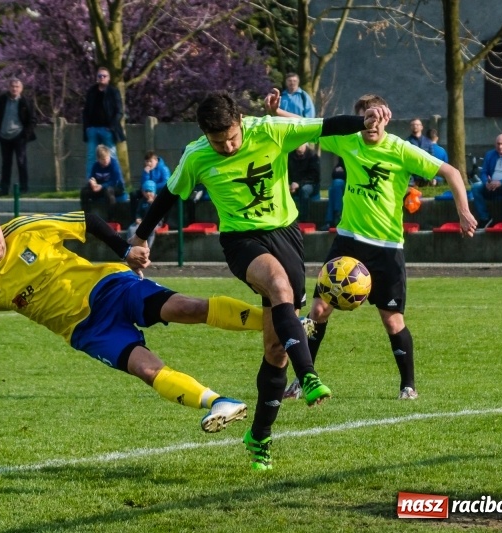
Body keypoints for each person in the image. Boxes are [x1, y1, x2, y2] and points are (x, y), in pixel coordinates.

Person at [129, 90, 390, 470]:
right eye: (218, 142)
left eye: (232, 138)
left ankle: (259, 436)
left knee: (275, 349)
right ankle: (309, 375)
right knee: (278, 285)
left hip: (286, 235)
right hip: (241, 242)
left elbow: (324, 126)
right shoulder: (196, 155)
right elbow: (168, 196)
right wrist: (140, 237)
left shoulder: (269, 131)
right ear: (205, 134)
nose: (228, 147)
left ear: (241, 121)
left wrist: (362, 121)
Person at [0, 201, 264, 443]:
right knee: (147, 370)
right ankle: (219, 403)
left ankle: (277, 321)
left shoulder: (25, 228)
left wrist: (125, 251)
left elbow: (86, 219)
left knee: (186, 308)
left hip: (108, 287)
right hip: (87, 331)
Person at [292, 93, 476, 406]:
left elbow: (452, 173)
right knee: (319, 311)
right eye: (365, 119)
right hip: (348, 242)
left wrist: (464, 211)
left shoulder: (401, 149)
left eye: (376, 118)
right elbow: (306, 124)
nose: (371, 124)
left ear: (386, 118)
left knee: (392, 320)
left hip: (386, 248)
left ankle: (408, 386)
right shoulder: (347, 141)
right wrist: (277, 111)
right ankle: (302, 379)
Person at [0, 78, 37, 196]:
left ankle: (23, 188)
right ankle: (4, 189)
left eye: (17, 87)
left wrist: (25, 135)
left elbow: (32, 119)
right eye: (12, 86)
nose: (14, 89)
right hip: (4, 136)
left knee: (21, 162)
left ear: (21, 89)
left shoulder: (26, 101)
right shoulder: (2, 100)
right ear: (9, 87)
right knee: (6, 164)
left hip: (19, 136)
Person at [82, 67, 125, 178]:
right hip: (92, 129)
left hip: (107, 130)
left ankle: (117, 183)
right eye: (99, 76)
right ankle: (91, 183)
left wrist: (111, 127)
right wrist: (87, 127)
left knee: (112, 156)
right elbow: (86, 111)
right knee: (91, 157)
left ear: (109, 78)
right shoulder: (91, 91)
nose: (102, 78)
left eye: (104, 76)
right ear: (97, 78)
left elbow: (119, 111)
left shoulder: (113, 92)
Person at [80, 144, 125, 222]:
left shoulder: (114, 164)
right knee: (84, 192)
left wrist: (102, 186)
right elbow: (92, 177)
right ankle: (86, 217)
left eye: (107, 158)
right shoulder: (96, 166)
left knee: (108, 191)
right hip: (100, 188)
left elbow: (115, 181)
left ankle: (111, 219)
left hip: (115, 187)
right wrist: (92, 183)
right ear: (98, 159)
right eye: (103, 159)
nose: (106, 161)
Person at [287, 143, 321, 221]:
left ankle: (303, 220)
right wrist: (289, 184)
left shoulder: (312, 155)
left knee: (304, 190)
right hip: (294, 185)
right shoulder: (290, 156)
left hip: (311, 184)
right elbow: (287, 172)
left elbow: (314, 176)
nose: (298, 146)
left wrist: (299, 184)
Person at [127, 180, 160, 248]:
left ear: (154, 191)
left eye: (150, 191)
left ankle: (147, 248)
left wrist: (152, 204)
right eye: (146, 191)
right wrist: (137, 218)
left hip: (154, 222)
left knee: (150, 230)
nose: (148, 193)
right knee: (131, 229)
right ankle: (131, 247)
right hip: (143, 221)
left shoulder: (158, 200)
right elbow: (138, 212)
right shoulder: (142, 201)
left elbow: (159, 213)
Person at [405, 118, 435, 187]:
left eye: (417, 125)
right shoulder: (406, 142)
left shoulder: (428, 142)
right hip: (413, 177)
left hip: (426, 176)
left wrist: (433, 177)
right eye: (413, 125)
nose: (415, 126)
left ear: (421, 127)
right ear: (410, 127)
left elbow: (432, 159)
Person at [320, 158, 346, 231]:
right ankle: (336, 215)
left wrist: (344, 172)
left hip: (354, 186)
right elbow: (334, 174)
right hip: (342, 185)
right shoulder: (343, 157)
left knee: (337, 184)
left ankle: (330, 221)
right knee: (333, 188)